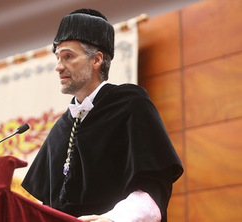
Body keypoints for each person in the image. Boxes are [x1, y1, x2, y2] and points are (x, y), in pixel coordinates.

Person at [22, 8, 183, 222]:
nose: (58, 67)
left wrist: (110, 219)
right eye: (58, 58)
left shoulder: (131, 105)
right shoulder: (61, 129)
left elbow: (152, 192)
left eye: (68, 56)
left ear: (96, 60)